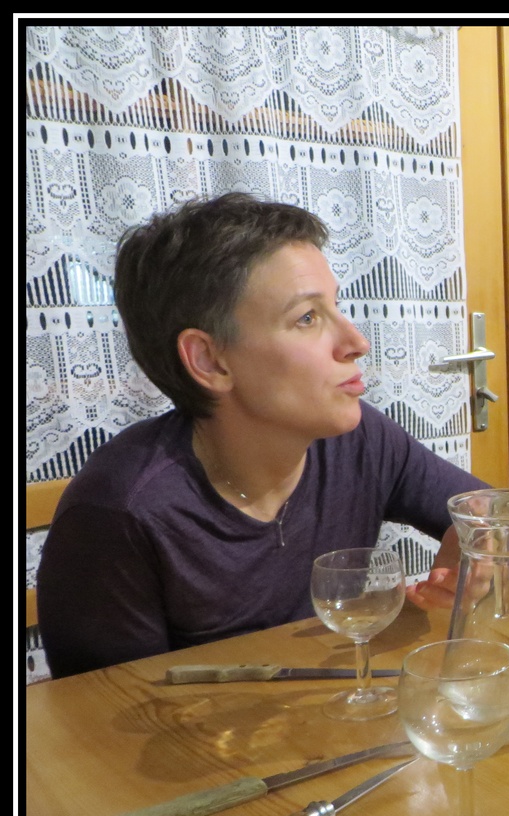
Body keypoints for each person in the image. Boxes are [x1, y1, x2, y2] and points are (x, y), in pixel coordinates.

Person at [37, 193, 483, 678]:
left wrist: (478, 547)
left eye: (336, 307)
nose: (357, 342)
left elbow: (493, 514)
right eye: (307, 318)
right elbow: (106, 710)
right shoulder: (120, 514)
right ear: (210, 361)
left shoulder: (360, 441)